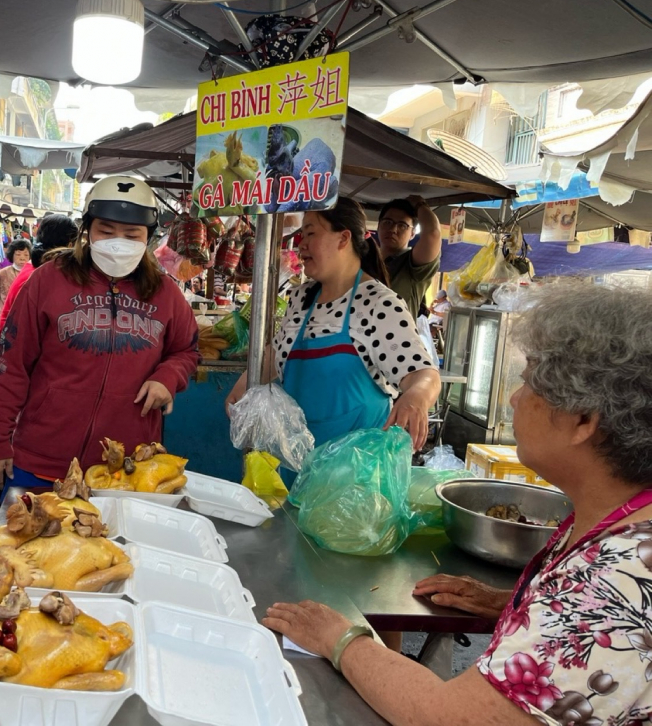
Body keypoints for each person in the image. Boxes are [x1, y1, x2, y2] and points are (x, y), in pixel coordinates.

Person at [263, 283, 652, 726]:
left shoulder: (618, 579)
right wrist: (514, 604)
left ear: (583, 419)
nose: (513, 398)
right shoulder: (612, 522)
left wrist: (340, 638)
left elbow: (453, 718)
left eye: (528, 382)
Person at [0, 176, 199, 502]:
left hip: (121, 472)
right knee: (25, 548)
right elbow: (10, 364)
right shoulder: (48, 281)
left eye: (131, 234)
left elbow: (186, 349)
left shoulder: (165, 293)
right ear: (87, 230)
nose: (117, 242)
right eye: (106, 231)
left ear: (149, 239)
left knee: (111, 552)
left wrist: (167, 377)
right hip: (39, 462)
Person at [226, 196, 441, 465]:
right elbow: (279, 352)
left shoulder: (377, 303)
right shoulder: (300, 298)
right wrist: (248, 382)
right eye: (301, 234)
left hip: (353, 481)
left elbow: (423, 374)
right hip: (296, 469)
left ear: (343, 239)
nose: (301, 244)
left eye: (311, 233)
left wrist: (416, 397)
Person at [0, 213, 78, 527]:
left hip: (24, 393)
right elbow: (12, 359)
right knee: (20, 514)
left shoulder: (35, 273)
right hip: (18, 392)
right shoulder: (40, 278)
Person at [376, 195, 442, 319]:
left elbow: (432, 233)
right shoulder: (364, 260)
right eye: (388, 222)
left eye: (402, 225)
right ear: (378, 226)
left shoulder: (413, 264)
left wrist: (419, 205)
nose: (393, 229)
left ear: (412, 234)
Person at [0, 237, 31, 309]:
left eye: (26, 255)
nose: (22, 258)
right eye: (18, 254)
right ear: (12, 255)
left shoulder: (34, 274)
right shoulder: (2, 273)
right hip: (5, 316)